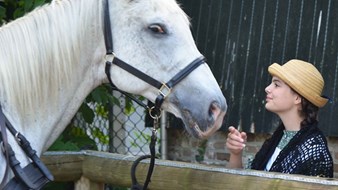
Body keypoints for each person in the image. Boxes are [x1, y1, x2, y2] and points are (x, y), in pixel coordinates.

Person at [226, 59, 333, 178]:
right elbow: (241, 184)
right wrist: (236, 154)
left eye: (276, 84)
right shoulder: (277, 139)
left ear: (297, 98)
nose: (267, 88)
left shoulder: (315, 152)